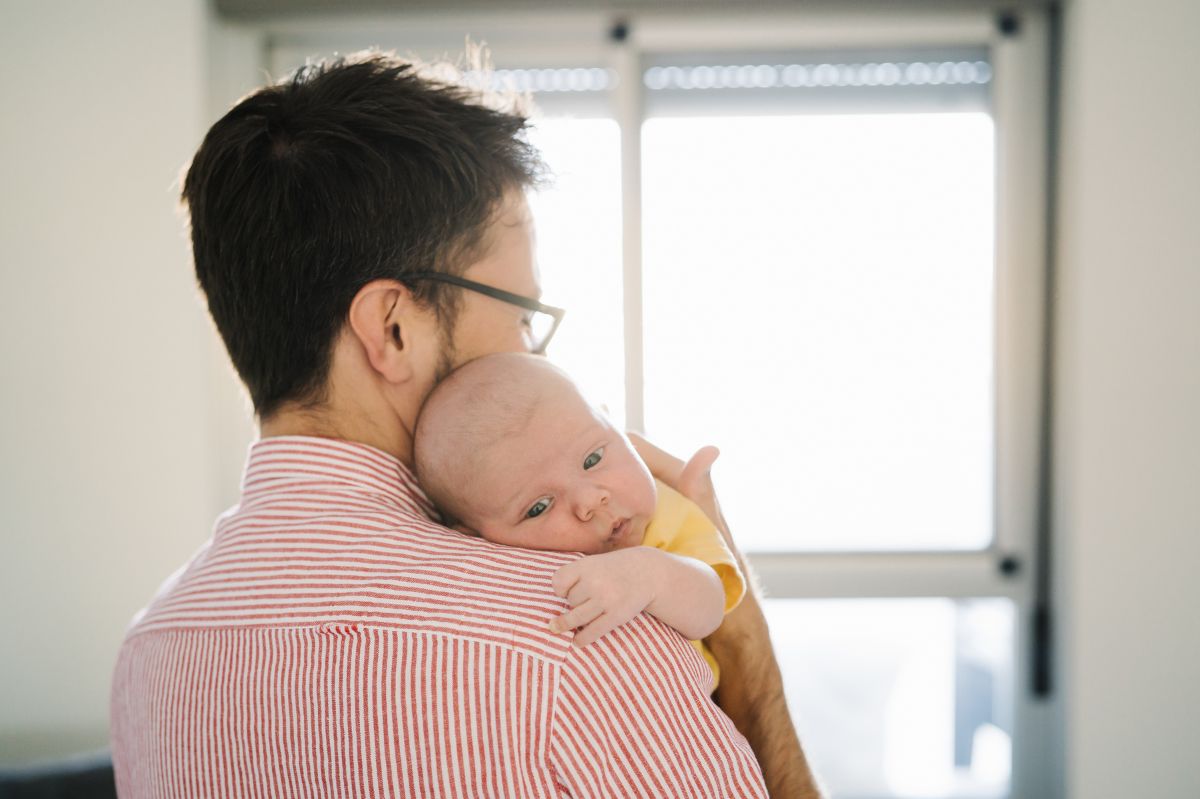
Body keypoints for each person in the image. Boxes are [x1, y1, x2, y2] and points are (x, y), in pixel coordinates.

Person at [109, 50, 823, 797]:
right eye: (520, 315)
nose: (530, 353)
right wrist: (746, 653)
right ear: (391, 329)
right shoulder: (584, 633)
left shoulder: (149, 651)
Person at [413, 352, 745, 690]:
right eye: (539, 507)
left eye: (593, 458)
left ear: (619, 430)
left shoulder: (667, 514)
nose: (589, 501)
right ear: (474, 539)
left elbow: (712, 607)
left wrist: (653, 574)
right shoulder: (497, 579)